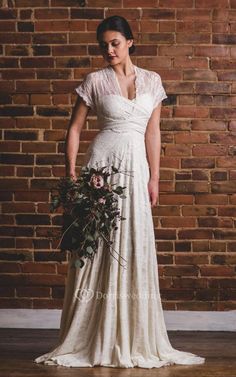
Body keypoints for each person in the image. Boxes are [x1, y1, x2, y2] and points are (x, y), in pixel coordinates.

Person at [34, 15, 205, 369]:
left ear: (130, 41)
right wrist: (71, 175)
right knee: (96, 246)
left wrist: (154, 177)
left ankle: (132, 333)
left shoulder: (153, 81)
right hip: (102, 168)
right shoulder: (94, 81)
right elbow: (75, 129)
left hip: (136, 169)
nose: (108, 50)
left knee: (133, 243)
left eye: (114, 42)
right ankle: (91, 334)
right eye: (103, 45)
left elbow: (153, 133)